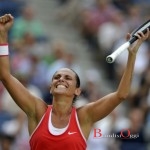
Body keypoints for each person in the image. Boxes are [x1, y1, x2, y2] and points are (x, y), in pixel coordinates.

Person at [0, 14, 149, 150]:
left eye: (67, 78)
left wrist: (132, 55)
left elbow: (121, 95)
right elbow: (5, 76)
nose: (61, 79)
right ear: (51, 88)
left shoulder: (85, 116)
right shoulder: (37, 110)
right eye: (57, 77)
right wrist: (2, 36)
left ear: (77, 90)